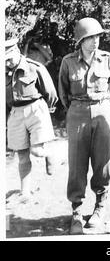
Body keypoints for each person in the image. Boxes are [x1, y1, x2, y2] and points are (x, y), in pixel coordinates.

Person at [58, 17, 110, 235]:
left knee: (103, 161)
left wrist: (102, 108)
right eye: (91, 37)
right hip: (77, 113)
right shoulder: (68, 61)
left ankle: (100, 207)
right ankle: (77, 210)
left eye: (98, 37)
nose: (96, 41)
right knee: (76, 162)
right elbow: (63, 93)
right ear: (80, 40)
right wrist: (78, 110)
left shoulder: (107, 59)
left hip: (103, 110)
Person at [5, 37, 58, 202]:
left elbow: (50, 92)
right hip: (15, 112)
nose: (7, 63)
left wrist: (47, 110)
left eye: (9, 59)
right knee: (21, 155)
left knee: (36, 151)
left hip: (36, 109)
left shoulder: (34, 67)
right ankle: (25, 192)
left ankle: (49, 154)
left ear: (16, 51)